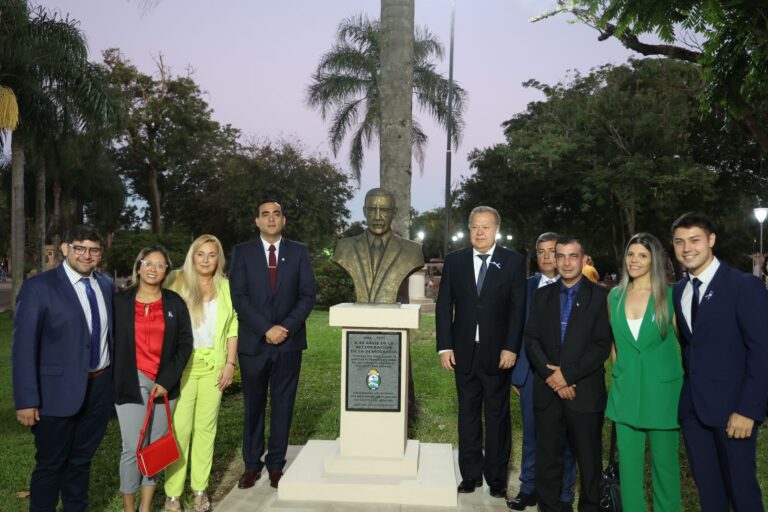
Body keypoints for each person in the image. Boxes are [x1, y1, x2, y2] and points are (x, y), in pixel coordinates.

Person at [12, 225, 114, 512]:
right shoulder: (39, 288)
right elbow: (23, 348)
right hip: (55, 395)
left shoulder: (106, 285)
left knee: (81, 463)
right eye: (80, 247)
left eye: (93, 250)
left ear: (100, 254)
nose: (86, 255)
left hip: (99, 390)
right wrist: (27, 400)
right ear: (66, 249)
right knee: (50, 466)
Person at [671, 212, 768, 511]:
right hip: (694, 412)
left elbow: (762, 351)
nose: (687, 248)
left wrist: (748, 410)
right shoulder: (679, 291)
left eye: (695, 240)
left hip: (733, 414)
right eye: (679, 242)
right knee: (709, 495)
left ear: (711, 240)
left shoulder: (744, 286)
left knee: (742, 494)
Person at [435, 206, 526, 499]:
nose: (480, 232)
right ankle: (470, 474)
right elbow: (443, 305)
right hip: (463, 353)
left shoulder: (512, 262)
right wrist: (444, 346)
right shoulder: (455, 261)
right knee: (468, 415)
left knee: (497, 417)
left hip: (498, 355)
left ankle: (497, 478)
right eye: (475, 226)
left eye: (485, 227)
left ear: (496, 230)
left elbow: (517, 310)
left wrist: (511, 347)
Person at [230, 200, 316, 489]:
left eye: (276, 214)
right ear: (257, 221)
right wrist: (266, 328)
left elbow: (307, 296)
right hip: (254, 343)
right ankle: (252, 465)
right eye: (265, 214)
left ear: (283, 220)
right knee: (253, 405)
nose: (270, 218)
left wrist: (285, 328)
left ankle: (276, 464)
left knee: (283, 404)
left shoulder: (299, 252)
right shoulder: (242, 253)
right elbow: (239, 297)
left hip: (288, 344)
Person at [524, 236, 611, 512]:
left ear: (584, 259)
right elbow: (531, 339)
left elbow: (601, 346)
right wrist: (554, 379)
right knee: (548, 459)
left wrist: (567, 376)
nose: (566, 262)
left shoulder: (600, 297)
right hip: (548, 393)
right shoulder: (542, 296)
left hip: (584, 393)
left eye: (573, 256)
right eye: (560, 256)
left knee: (588, 461)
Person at [606, 233, 683, 512]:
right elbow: (615, 345)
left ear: (654, 260)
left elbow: (687, 346)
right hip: (625, 397)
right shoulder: (614, 296)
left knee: (665, 471)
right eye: (630, 254)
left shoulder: (670, 296)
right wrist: (621, 375)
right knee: (628, 474)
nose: (634, 261)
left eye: (642, 255)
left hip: (664, 397)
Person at [113, 246, 193, 512]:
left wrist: (167, 380)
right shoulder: (120, 301)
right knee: (133, 446)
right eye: (148, 263)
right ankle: (128, 508)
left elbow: (185, 344)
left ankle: (146, 507)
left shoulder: (174, 302)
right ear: (139, 267)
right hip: (130, 381)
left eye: (160, 265)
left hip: (163, 384)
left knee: (156, 447)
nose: (153, 269)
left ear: (166, 271)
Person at [163, 235, 239, 512]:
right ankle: (172, 494)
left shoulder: (227, 288)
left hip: (214, 368)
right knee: (179, 431)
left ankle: (199, 490)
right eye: (200, 254)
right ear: (192, 256)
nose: (206, 260)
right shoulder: (176, 283)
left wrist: (230, 363)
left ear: (219, 259)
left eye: (212, 254)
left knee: (206, 430)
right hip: (182, 368)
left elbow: (233, 327)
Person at [508, 232, 576, 511]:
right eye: (542, 252)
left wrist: (570, 373)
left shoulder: (576, 287)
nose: (547, 257)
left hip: (566, 375)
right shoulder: (525, 287)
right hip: (530, 374)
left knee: (566, 437)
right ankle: (529, 488)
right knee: (532, 434)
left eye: (552, 251)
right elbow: (514, 328)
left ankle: (564, 493)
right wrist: (517, 374)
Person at [333, 187, 424, 304]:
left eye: (384, 210)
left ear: (394, 212)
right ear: (364, 211)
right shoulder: (344, 248)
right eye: (371, 209)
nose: (377, 216)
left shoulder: (412, 251)